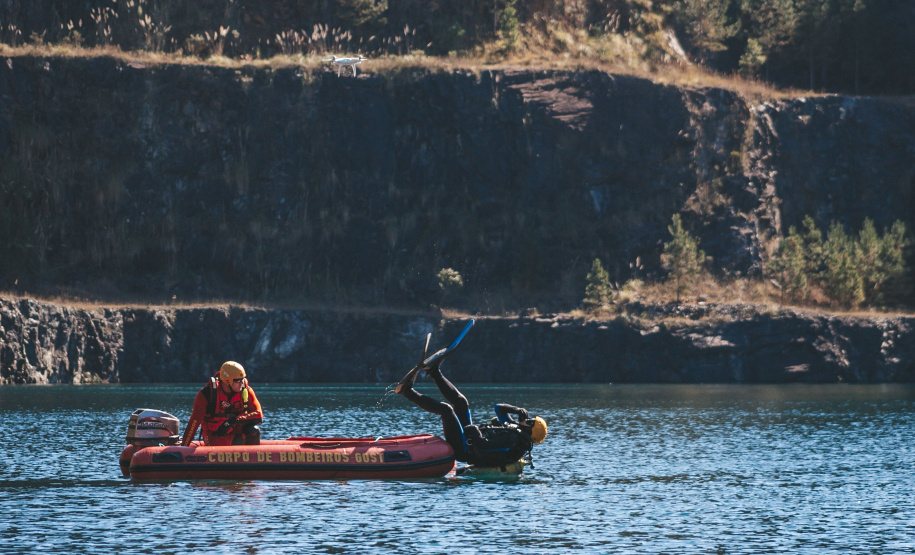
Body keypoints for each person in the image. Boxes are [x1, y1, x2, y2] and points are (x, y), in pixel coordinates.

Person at [394, 362, 547, 470]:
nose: (528, 419)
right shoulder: (515, 429)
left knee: (446, 410)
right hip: (468, 438)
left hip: (465, 449)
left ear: (531, 430)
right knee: (461, 402)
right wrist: (517, 409)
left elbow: (484, 445)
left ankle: (406, 391)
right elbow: (499, 408)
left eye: (531, 421)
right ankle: (433, 371)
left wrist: (474, 430)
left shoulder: (513, 440)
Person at [180, 361, 264, 446]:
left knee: (254, 430)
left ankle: (251, 458)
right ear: (227, 381)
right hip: (215, 436)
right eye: (238, 380)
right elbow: (193, 424)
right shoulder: (206, 394)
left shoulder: (245, 391)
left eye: (243, 379)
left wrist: (233, 421)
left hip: (237, 433)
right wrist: (184, 448)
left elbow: (259, 416)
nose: (242, 383)